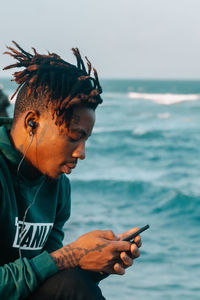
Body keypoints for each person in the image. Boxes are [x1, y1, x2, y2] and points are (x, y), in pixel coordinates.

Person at [0, 41, 142, 300]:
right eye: (74, 137)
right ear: (33, 122)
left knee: (75, 284)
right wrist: (72, 254)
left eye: (86, 140)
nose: (81, 153)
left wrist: (93, 263)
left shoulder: (58, 186)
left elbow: (50, 275)